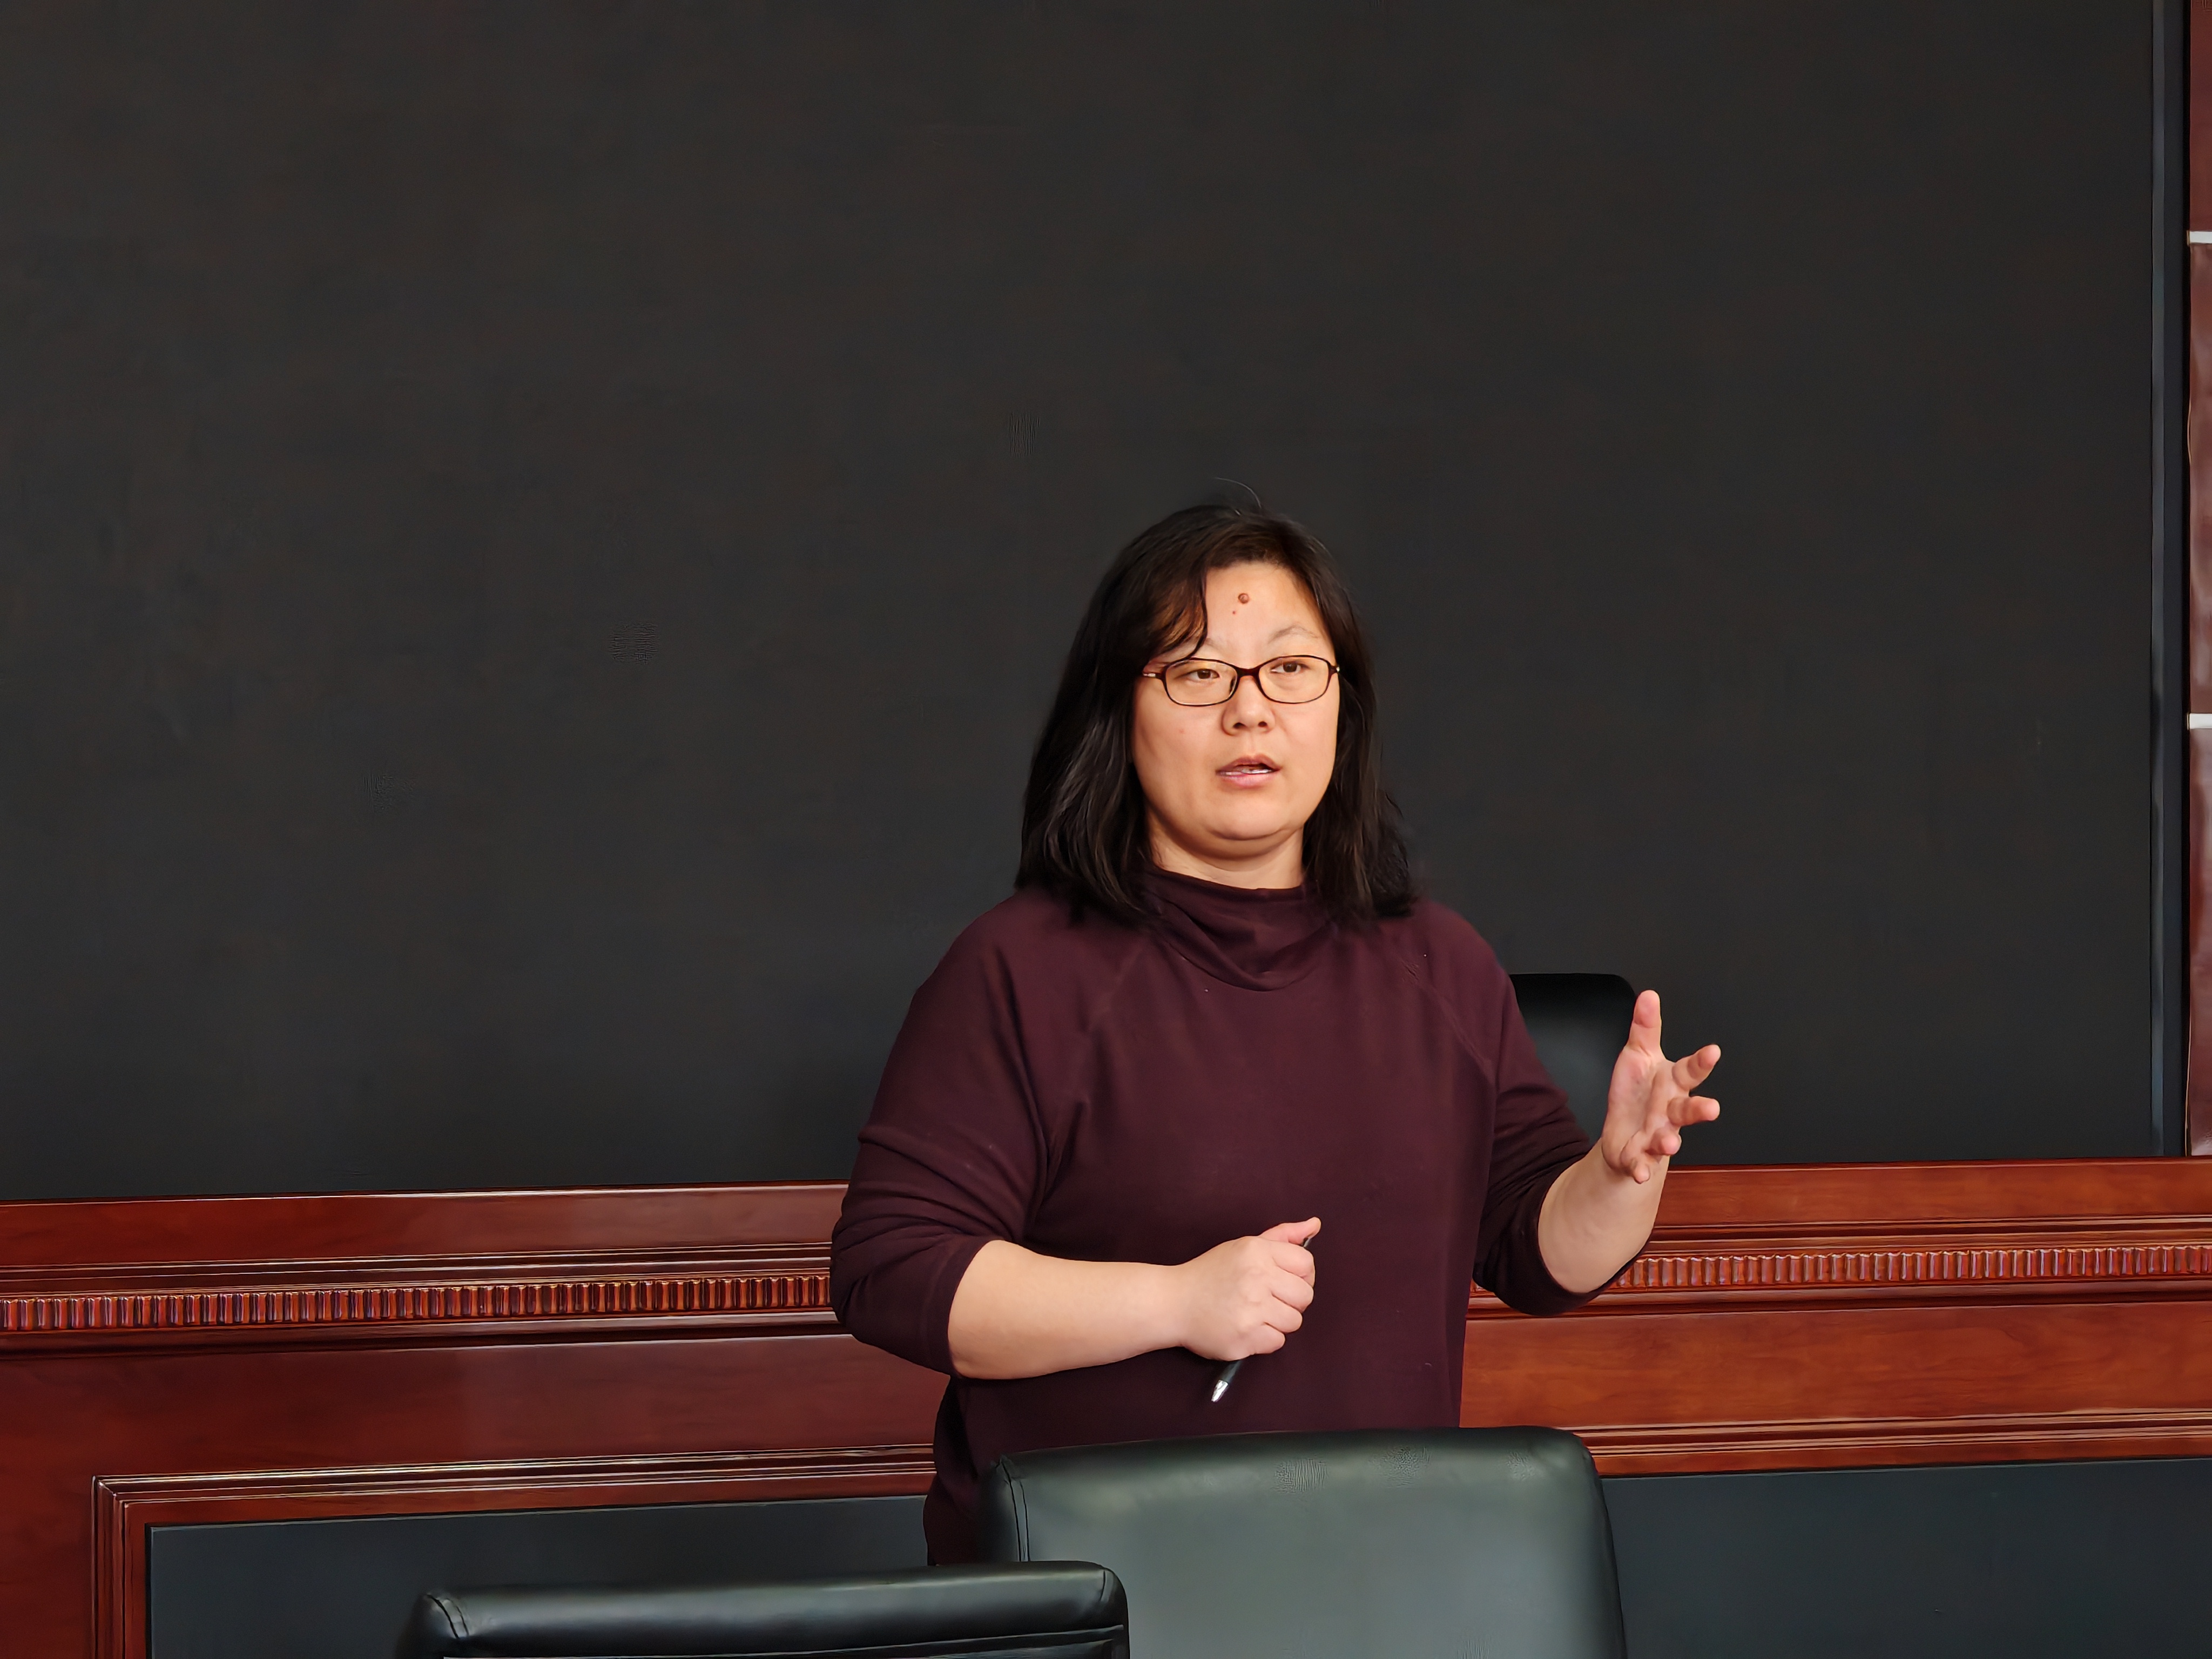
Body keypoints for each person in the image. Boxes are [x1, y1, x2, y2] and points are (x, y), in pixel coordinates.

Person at [831, 504, 1719, 1562]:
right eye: (1198, 674)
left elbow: (1538, 1257)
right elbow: (893, 1271)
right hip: (1099, 1589)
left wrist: (1618, 1174)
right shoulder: (1019, 970)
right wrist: (1175, 1303)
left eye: (1291, 670)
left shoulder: (1439, 963)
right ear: (1119, 711)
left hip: (1379, 1577)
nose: (1249, 711)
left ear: (1341, 705)